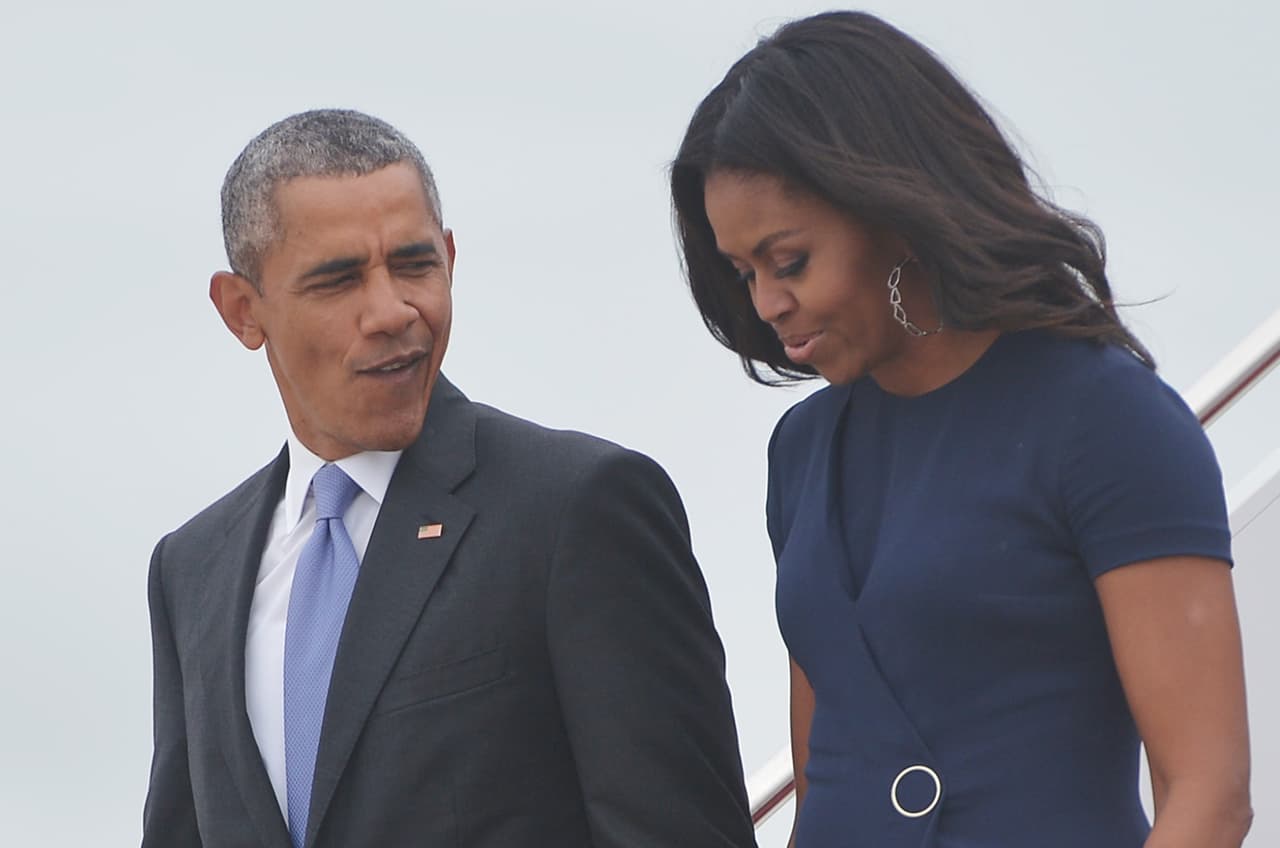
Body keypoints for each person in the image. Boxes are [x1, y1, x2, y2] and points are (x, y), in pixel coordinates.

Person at [671, 11, 1250, 848]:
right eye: (743, 272)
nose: (765, 305)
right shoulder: (802, 450)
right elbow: (825, 766)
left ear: (892, 215)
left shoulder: (1108, 419)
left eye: (788, 260)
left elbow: (1210, 794)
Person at [142, 109, 757, 848]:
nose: (393, 311)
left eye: (414, 264)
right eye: (338, 281)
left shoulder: (577, 508)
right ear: (243, 311)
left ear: (452, 259)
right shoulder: (193, 569)